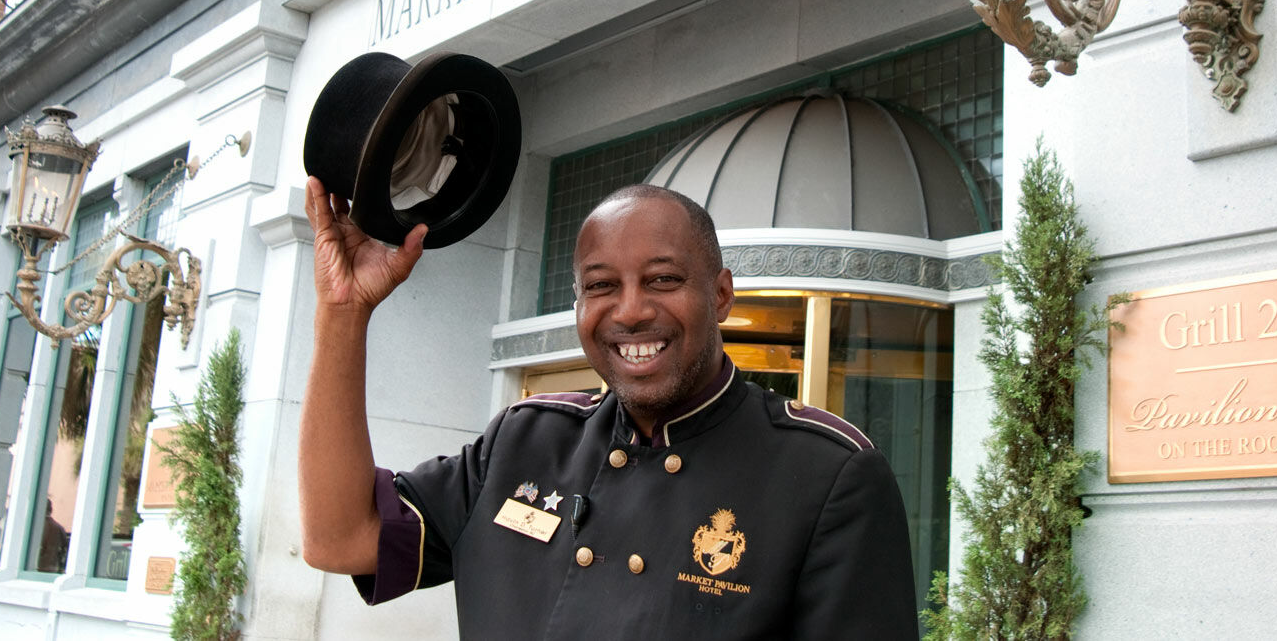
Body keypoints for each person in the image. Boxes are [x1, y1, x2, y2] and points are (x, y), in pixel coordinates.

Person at [299, 178, 919, 638]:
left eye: (663, 280)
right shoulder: (524, 440)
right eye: (600, 286)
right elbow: (340, 537)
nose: (628, 311)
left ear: (722, 294)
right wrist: (343, 311)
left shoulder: (826, 474)